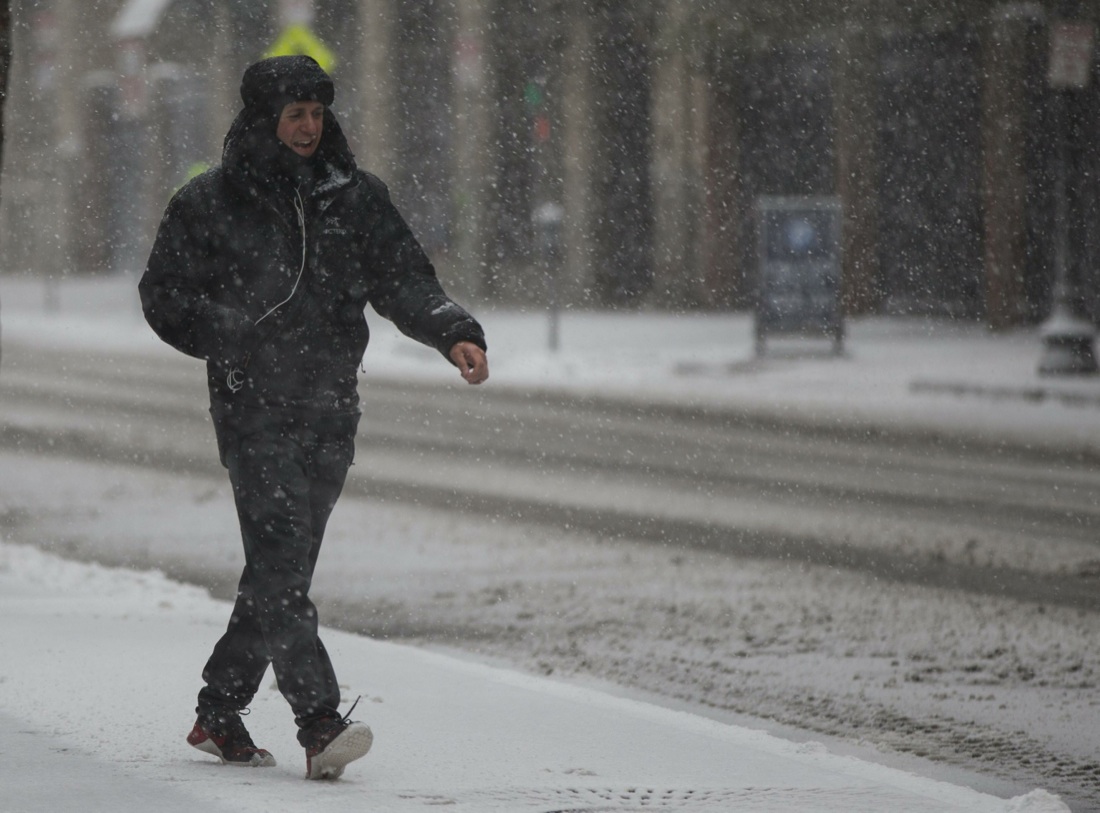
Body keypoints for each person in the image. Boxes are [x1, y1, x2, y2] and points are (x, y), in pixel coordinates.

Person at [139, 55, 489, 780]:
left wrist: (453, 329)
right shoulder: (210, 201)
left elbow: (403, 278)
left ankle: (219, 707)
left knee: (282, 569)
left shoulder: (355, 197)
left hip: (331, 404)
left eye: (316, 113)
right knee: (280, 565)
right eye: (293, 113)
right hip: (251, 403)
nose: (307, 126)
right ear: (264, 119)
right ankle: (319, 721)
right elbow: (164, 295)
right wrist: (226, 330)